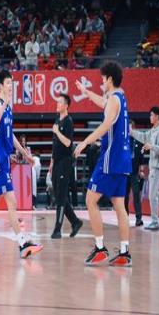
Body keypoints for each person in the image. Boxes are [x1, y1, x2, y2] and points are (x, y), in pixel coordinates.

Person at [0, 70, 43, 258]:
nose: (11, 86)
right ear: (0, 86)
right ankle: (22, 244)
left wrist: (25, 154)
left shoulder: (9, 108)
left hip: (4, 159)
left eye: (12, 83)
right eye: (8, 83)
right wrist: (4, 103)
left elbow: (10, 135)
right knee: (11, 201)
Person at [74, 61, 132, 266]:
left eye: (102, 80)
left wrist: (84, 142)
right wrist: (86, 92)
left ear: (109, 79)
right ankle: (124, 252)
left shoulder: (114, 100)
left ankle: (100, 248)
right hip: (123, 159)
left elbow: (105, 124)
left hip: (110, 159)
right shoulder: (120, 97)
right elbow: (103, 103)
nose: (101, 83)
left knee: (90, 200)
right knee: (119, 205)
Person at [50, 94, 83, 239]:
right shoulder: (57, 119)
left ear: (66, 105)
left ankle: (57, 229)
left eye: (60, 102)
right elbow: (55, 143)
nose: (57, 104)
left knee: (61, 196)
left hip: (65, 161)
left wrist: (57, 132)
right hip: (57, 161)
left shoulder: (69, 121)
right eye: (57, 102)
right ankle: (75, 222)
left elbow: (68, 143)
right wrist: (51, 162)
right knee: (59, 195)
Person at [125, 121, 144, 227]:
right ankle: (125, 217)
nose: (129, 130)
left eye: (130, 128)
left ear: (133, 128)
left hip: (134, 173)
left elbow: (141, 158)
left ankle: (138, 218)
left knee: (136, 195)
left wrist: (141, 170)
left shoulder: (138, 141)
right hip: (124, 173)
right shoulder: (123, 141)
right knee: (125, 196)